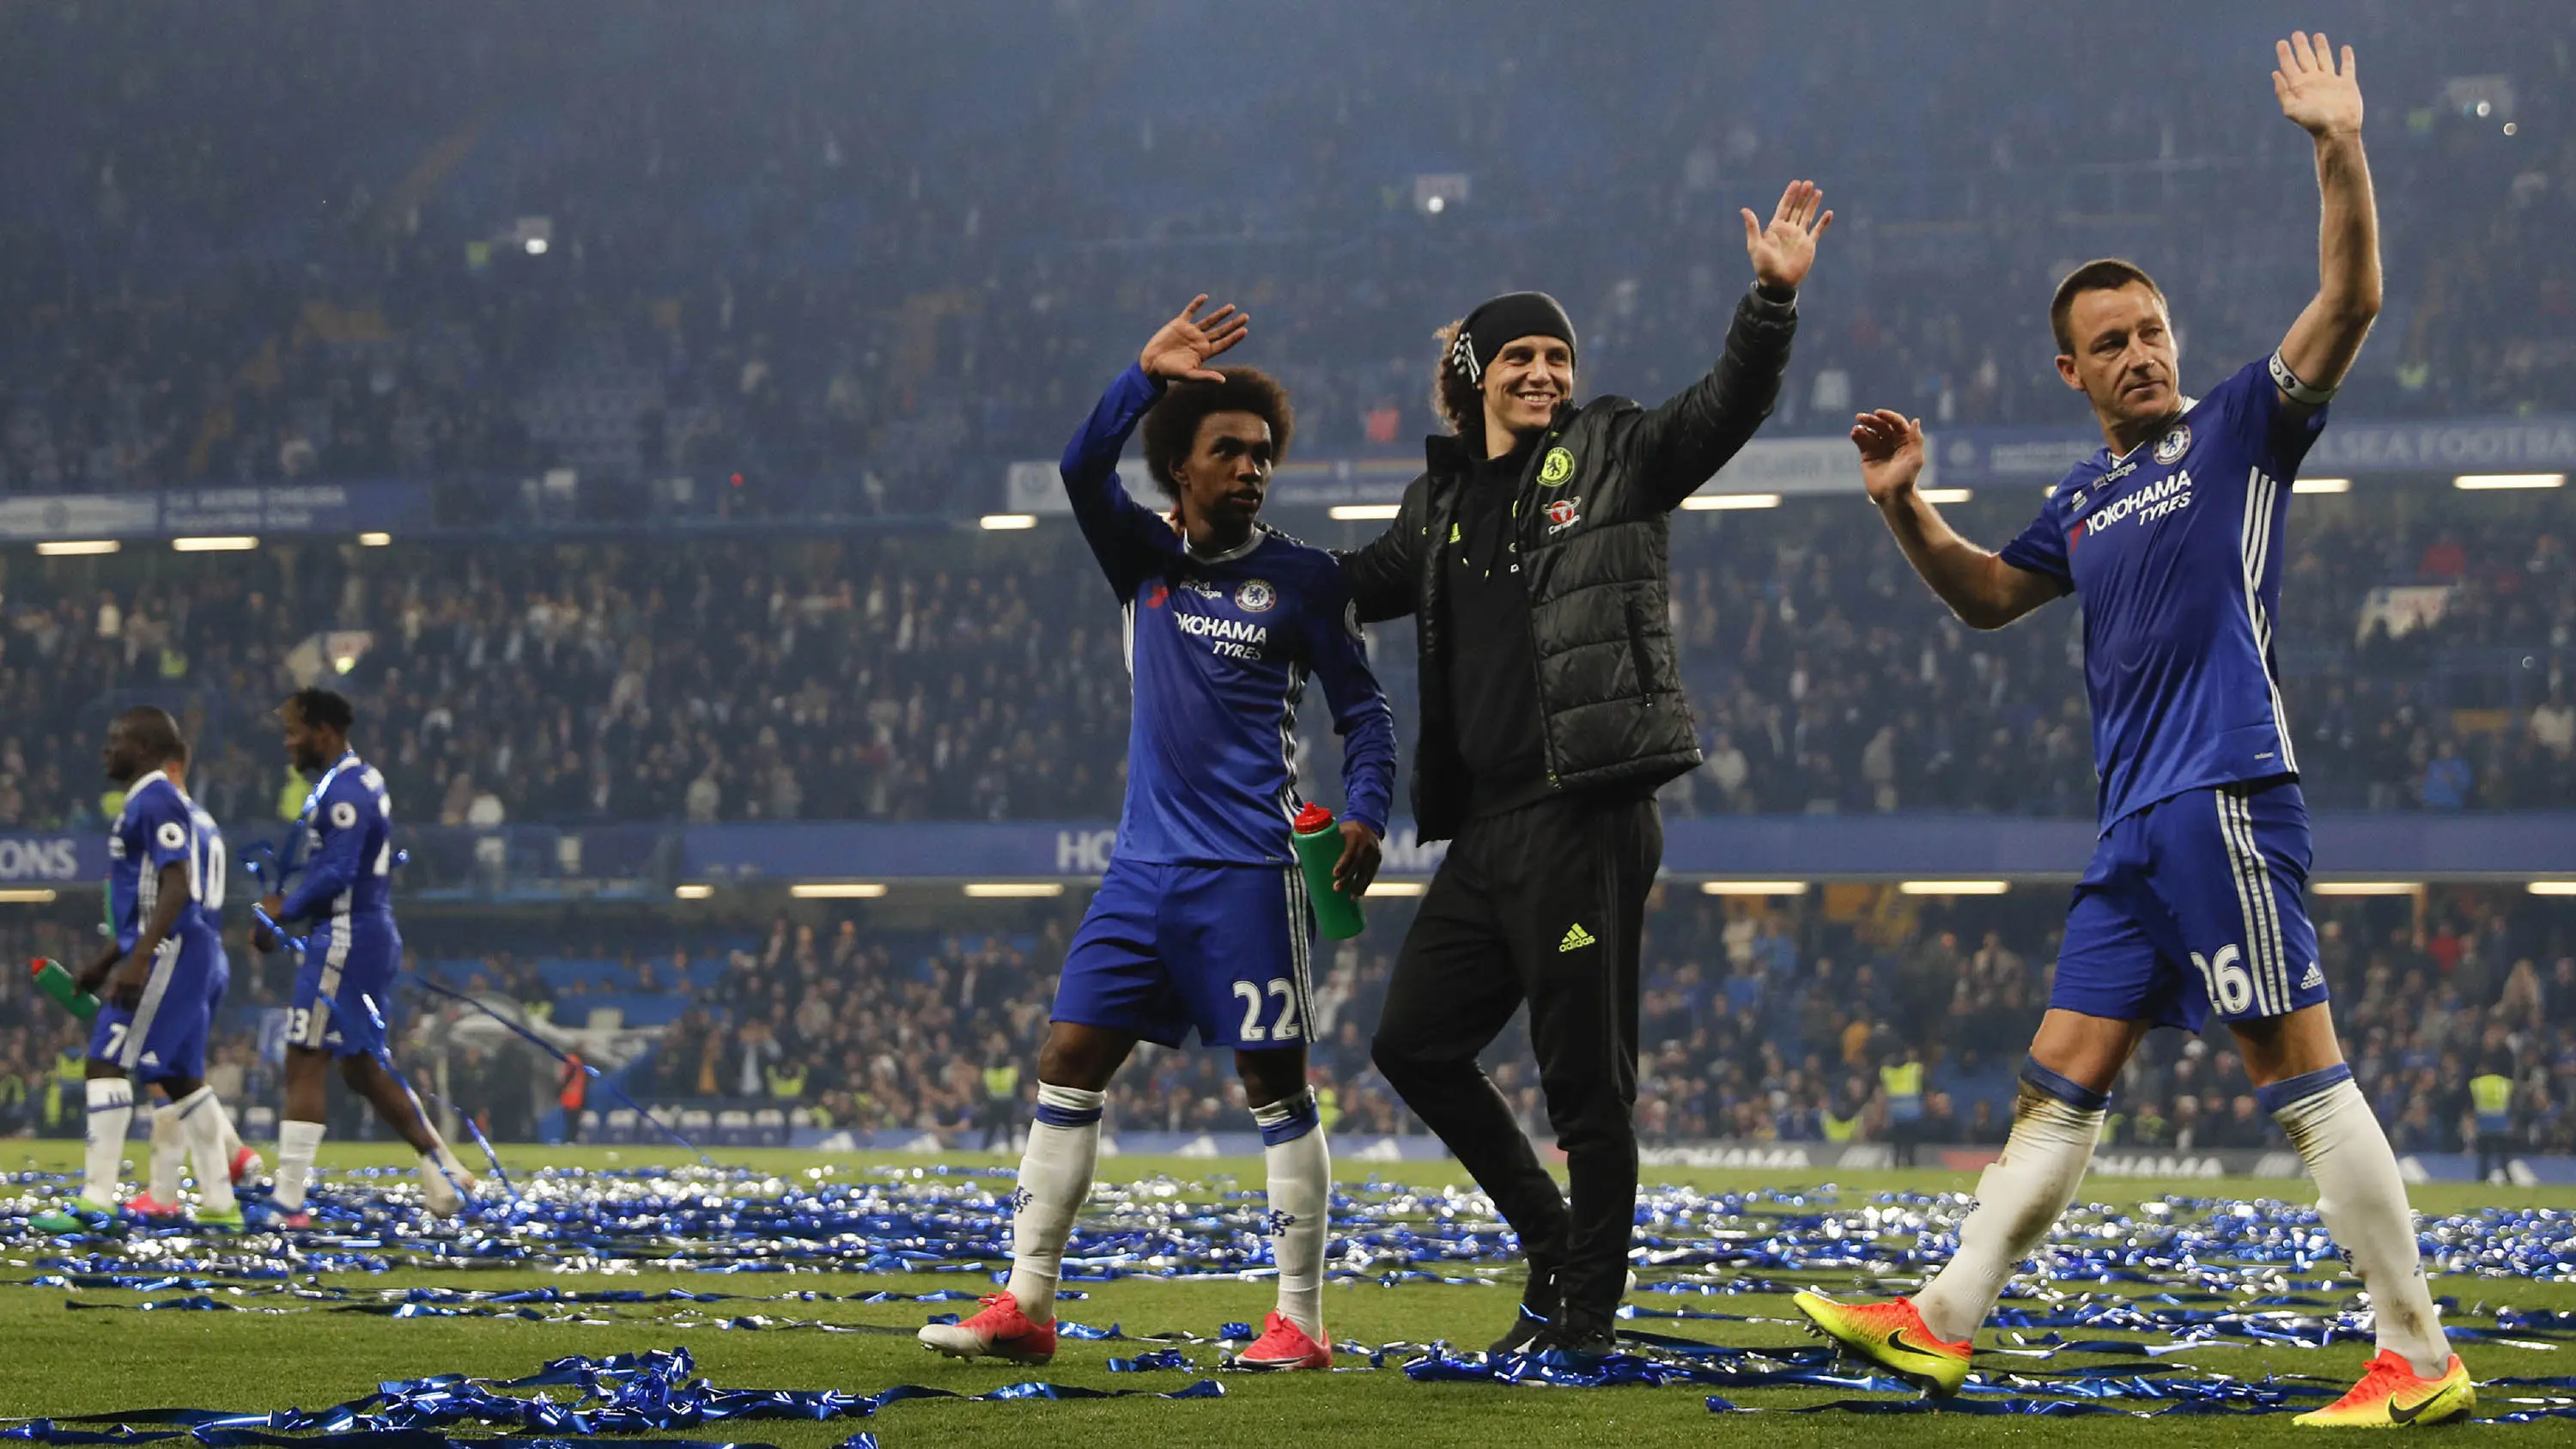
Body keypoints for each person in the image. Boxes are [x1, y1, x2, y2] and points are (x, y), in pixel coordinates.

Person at [1795, 35, 2473, 1428]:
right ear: (2071, 371)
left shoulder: (2236, 428)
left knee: (2300, 1071)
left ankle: (2418, 1348)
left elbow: (2352, 296)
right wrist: (1902, 505)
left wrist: (2338, 143)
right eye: (2111, 344)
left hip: (2224, 792)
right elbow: (1989, 598)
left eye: (2151, 330)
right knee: (2059, 1082)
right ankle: (1940, 1319)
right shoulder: (2083, 500)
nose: (2141, 354)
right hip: (2133, 833)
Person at [1337, 180, 1828, 1358]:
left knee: (1585, 1087)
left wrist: (1769, 301)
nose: (1544, 372)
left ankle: (1585, 1325)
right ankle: (1551, 1235)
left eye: (1556, 353)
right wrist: (1222, 556)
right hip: (1486, 825)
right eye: (1519, 355)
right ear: (1476, 372)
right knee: (1410, 1041)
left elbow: (1723, 408)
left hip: (1585, 810)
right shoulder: (1442, 502)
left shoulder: (1613, 450)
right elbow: (1345, 584)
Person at [920, 296, 1395, 1373]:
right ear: (1180, 465)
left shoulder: (1307, 579)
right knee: (1068, 1056)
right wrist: (1141, 377)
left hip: (1250, 873)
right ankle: (1028, 1305)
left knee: (1275, 1085)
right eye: (1228, 450)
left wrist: (1367, 806)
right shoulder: (1141, 559)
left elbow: (1363, 711)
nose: (1251, 468)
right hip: (1139, 870)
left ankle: (1302, 1322)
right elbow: (1080, 469)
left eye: (1263, 454)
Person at [254, 688, 474, 1225]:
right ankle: (445, 1167)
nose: (287, 743)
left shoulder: (346, 791)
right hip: (366, 933)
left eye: (294, 731)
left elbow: (339, 870)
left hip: (348, 936)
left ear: (323, 732)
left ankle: (287, 1204)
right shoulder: (358, 780)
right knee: (361, 1068)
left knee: (304, 1058)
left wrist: (285, 910)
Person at [32, 709, 249, 1233]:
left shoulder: (156, 799)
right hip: (176, 947)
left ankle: (97, 1200)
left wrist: (141, 958)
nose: (107, 750)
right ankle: (222, 1202)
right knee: (179, 1078)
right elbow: (144, 899)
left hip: (170, 948)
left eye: (118, 740)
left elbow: (178, 885)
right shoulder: (149, 800)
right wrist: (104, 962)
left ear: (148, 750)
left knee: (106, 1061)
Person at [130, 774, 264, 1219]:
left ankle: (166, 1193)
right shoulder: (205, 821)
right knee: (181, 1071)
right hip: (210, 950)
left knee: (160, 1071)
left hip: (181, 949)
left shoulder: (168, 816)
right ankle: (229, 1162)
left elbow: (172, 887)